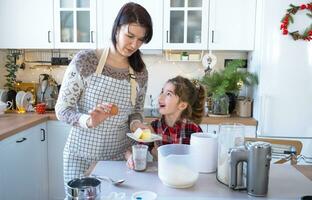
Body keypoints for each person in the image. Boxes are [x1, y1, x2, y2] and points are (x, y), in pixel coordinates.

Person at [55, 2, 153, 187]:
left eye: (141, 40)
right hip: (80, 157)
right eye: (130, 36)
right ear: (116, 29)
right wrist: (88, 120)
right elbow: (62, 109)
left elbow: (137, 111)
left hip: (118, 159)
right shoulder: (86, 61)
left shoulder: (140, 72)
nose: (134, 44)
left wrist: (137, 125)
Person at [126, 76, 206, 169]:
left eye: (168, 94)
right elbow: (132, 150)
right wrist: (130, 158)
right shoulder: (154, 126)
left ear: (182, 105)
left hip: (185, 177)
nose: (160, 97)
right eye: (162, 92)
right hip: (161, 177)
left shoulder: (193, 130)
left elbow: (201, 161)